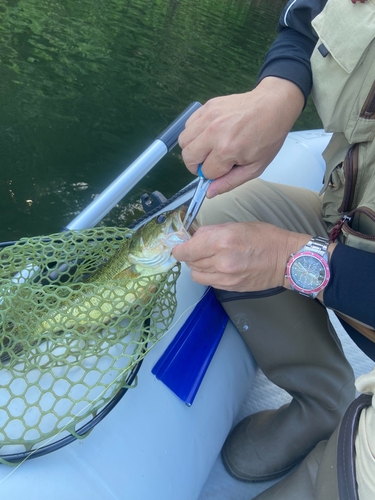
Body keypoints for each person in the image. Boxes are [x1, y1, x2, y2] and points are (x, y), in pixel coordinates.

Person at [172, 0, 375, 498]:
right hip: (346, 234)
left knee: (344, 478)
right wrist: (277, 94)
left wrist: (284, 259)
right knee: (220, 217)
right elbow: (309, 14)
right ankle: (321, 401)